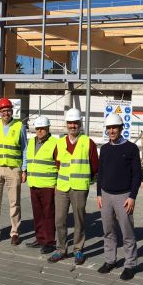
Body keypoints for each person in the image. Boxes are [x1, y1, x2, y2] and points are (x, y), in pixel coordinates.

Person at [48, 108, 99, 265]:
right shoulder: (60, 143)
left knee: (79, 220)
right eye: (70, 123)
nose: (72, 126)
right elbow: (57, 162)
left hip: (79, 188)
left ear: (80, 124)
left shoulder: (88, 142)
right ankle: (61, 249)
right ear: (66, 124)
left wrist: (84, 179)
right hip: (62, 187)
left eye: (75, 123)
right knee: (60, 219)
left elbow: (94, 166)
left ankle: (78, 250)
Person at [96, 113, 141, 280]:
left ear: (121, 128)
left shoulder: (131, 148)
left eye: (114, 127)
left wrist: (132, 197)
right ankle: (110, 260)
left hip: (124, 196)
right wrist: (99, 193)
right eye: (109, 128)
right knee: (108, 230)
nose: (111, 131)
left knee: (127, 232)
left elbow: (137, 175)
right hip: (106, 195)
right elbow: (101, 173)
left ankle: (130, 264)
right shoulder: (105, 149)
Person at [0, 98, 28, 245]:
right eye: (3, 111)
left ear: (12, 110)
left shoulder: (19, 126)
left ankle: (15, 232)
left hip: (13, 169)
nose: (6, 113)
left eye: (8, 110)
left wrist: (24, 169)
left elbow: (25, 149)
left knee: (14, 202)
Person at [25, 116, 57, 254]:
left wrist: (57, 184)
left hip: (48, 185)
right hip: (34, 184)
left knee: (48, 214)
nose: (40, 131)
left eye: (42, 128)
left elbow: (59, 164)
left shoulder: (55, 143)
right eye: (37, 129)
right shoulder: (31, 142)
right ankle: (40, 238)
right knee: (37, 214)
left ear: (48, 128)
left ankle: (49, 242)